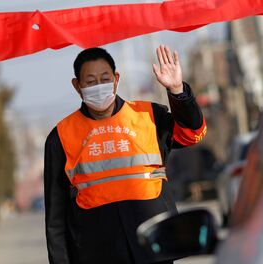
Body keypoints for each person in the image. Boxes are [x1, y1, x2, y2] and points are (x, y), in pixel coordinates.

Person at [44, 45, 207, 264]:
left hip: (154, 246)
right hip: (96, 253)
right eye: (90, 82)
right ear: (77, 85)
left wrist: (177, 91)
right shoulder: (61, 136)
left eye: (105, 78)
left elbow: (192, 133)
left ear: (116, 79)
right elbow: (56, 217)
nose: (99, 87)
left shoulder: (148, 116)